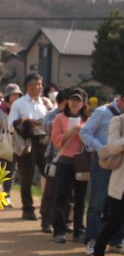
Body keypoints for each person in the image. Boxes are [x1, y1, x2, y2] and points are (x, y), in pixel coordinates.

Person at [79, 92, 124, 256]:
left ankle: (116, 241)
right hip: (104, 163)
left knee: (118, 206)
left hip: (121, 167)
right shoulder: (102, 112)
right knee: (97, 204)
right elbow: (84, 132)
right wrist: (100, 149)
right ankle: (91, 240)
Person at [50, 88, 89, 243]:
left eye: (78, 100)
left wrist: (83, 133)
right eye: (73, 99)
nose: (75, 103)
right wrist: (71, 132)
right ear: (68, 101)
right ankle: (59, 230)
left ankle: (79, 230)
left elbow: (91, 140)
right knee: (61, 196)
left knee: (80, 198)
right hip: (65, 160)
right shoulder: (60, 118)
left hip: (82, 161)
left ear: (83, 103)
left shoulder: (87, 120)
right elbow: (56, 139)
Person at [8, 73, 48, 220]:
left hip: (43, 141)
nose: (40, 87)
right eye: (37, 84)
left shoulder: (43, 103)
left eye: (41, 84)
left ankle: (47, 208)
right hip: (26, 143)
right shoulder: (19, 104)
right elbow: (10, 125)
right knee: (27, 177)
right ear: (28, 86)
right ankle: (28, 208)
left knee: (49, 174)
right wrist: (25, 123)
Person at [92, 113, 124, 256]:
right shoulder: (119, 120)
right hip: (121, 182)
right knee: (116, 220)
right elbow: (111, 147)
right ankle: (98, 253)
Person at [39, 90, 70, 233]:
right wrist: (62, 120)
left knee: (69, 192)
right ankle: (46, 220)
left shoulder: (79, 116)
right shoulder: (53, 114)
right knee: (51, 189)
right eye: (67, 103)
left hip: (72, 157)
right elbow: (47, 127)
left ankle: (65, 220)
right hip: (54, 156)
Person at [0, 83, 23, 205]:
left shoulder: (19, 110)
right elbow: (6, 123)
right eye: (13, 95)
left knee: (11, 171)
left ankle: (6, 196)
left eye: (17, 95)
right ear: (8, 96)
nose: (15, 97)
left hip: (14, 145)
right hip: (1, 145)